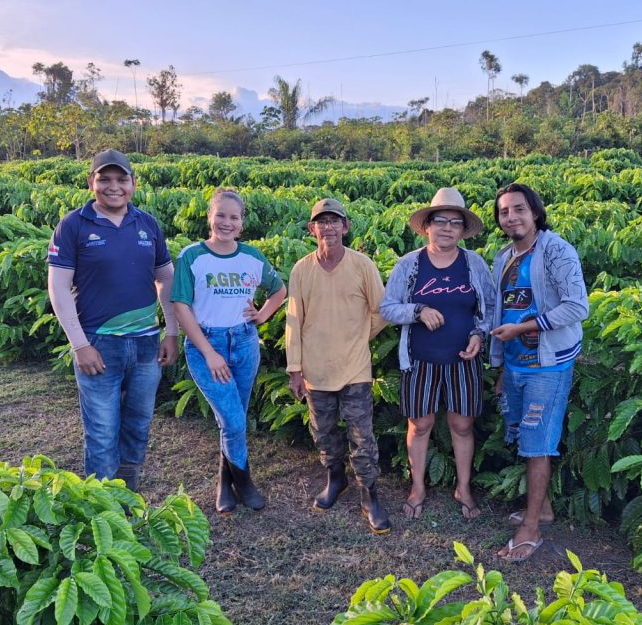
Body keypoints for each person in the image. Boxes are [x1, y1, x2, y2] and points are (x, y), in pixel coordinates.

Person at [47, 148, 178, 490]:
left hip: (146, 344)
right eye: (104, 179)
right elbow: (58, 287)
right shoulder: (72, 226)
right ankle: (102, 506)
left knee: (138, 425)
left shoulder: (147, 224)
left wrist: (171, 331)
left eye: (122, 179)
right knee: (102, 432)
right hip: (98, 344)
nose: (114, 187)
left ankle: (127, 496)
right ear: (90, 182)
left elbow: (166, 278)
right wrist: (79, 344)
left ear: (134, 183)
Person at [380, 187, 493, 521]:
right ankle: (417, 487)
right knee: (420, 423)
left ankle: (463, 487)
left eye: (455, 223)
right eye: (440, 221)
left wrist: (479, 334)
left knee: (462, 424)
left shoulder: (474, 264)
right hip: (420, 358)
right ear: (427, 226)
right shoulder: (409, 265)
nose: (447, 228)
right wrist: (418, 311)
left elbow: (490, 308)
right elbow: (388, 307)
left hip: (463, 359)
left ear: (463, 230)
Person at [489, 183, 588, 562]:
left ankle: (530, 529)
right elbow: (501, 312)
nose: (511, 217)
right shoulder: (504, 258)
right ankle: (542, 509)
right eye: (504, 212)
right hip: (515, 364)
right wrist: (501, 366)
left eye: (519, 209)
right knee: (523, 436)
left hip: (548, 365)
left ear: (535, 213)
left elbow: (577, 306)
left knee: (537, 443)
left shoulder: (557, 250)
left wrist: (525, 328)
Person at [172, 188, 287, 514]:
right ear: (209, 216)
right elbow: (181, 307)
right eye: (220, 215)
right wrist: (209, 353)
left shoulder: (252, 256)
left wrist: (261, 315)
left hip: (245, 343)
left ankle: (225, 483)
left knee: (233, 418)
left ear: (241, 223)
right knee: (234, 421)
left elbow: (279, 290)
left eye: (233, 217)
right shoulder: (192, 256)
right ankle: (244, 482)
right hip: (207, 345)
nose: (226, 222)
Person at [286, 198, 391, 534]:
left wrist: (359, 337)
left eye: (334, 221)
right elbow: (294, 321)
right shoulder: (301, 269)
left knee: (362, 435)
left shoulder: (362, 265)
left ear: (345, 227)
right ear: (312, 229)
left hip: (354, 367)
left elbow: (381, 310)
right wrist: (294, 368)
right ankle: (335, 479)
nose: (328, 227)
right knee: (324, 432)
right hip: (315, 369)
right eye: (321, 221)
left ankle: (369, 494)